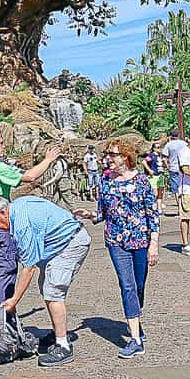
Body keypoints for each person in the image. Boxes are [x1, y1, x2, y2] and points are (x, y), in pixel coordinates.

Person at [0, 130, 62, 331]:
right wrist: (48, 160)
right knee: (4, 272)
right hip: (0, 223)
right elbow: (29, 176)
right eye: (0, 143)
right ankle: (2, 318)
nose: (3, 147)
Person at [0, 193, 91, 368]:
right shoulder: (17, 206)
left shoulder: (21, 225)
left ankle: (63, 346)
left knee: (53, 292)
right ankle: (58, 332)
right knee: (47, 288)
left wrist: (13, 300)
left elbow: (29, 268)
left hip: (70, 243)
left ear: (3, 212)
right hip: (64, 241)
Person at [78, 139, 159, 357]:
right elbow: (103, 213)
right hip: (116, 242)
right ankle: (134, 340)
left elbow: (153, 214)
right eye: (107, 154)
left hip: (140, 240)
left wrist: (154, 244)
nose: (107, 159)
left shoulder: (142, 181)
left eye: (112, 154)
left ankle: (136, 320)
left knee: (139, 286)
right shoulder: (106, 182)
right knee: (128, 285)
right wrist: (90, 216)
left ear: (125, 156)